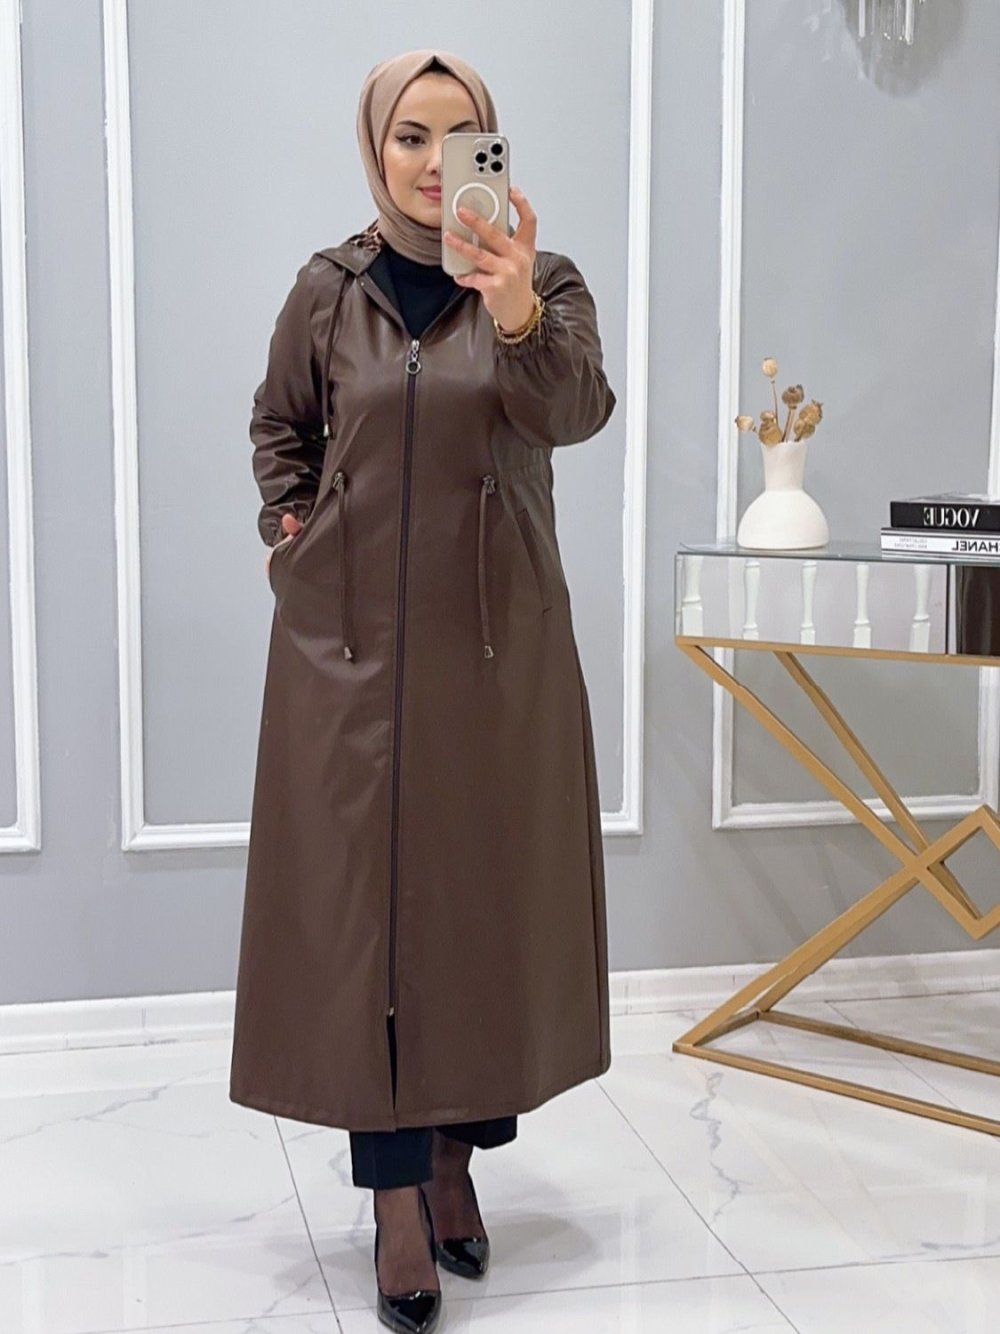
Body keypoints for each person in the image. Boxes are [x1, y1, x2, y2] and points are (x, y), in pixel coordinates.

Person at [229, 48, 617, 1334]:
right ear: (376, 149)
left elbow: (573, 411)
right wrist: (292, 531)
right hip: (345, 651)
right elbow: (279, 426)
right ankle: (396, 1194)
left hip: (496, 648)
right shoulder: (327, 289)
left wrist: (513, 310)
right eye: (411, 135)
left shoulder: (544, 285)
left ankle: (456, 1158)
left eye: (461, 136)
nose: (434, 161)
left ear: (491, 150)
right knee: (364, 923)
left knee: (476, 906)